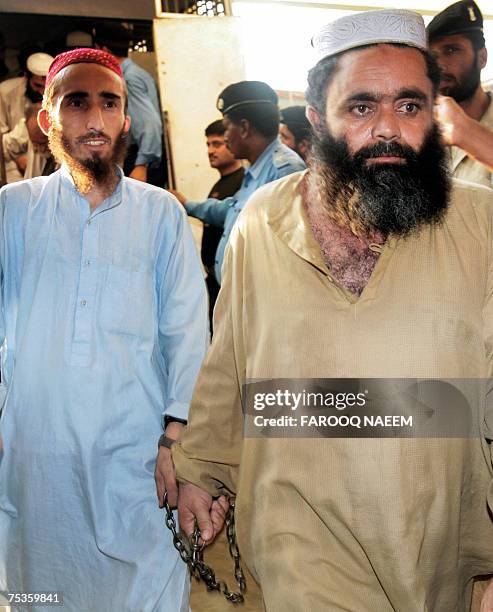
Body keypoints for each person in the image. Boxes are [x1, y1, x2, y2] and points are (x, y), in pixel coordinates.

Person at [172, 9, 493, 611]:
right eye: (361, 107)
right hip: (300, 542)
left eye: (410, 106)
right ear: (318, 119)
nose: (389, 129)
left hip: (442, 550)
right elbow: (230, 362)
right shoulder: (262, 223)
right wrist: (202, 470)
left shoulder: (480, 225)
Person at [0, 48, 208, 611]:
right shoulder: (12, 210)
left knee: (150, 591)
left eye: (108, 103)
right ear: (46, 120)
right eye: (75, 103)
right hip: (33, 458)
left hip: (138, 456)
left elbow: (187, 334)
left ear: (126, 118)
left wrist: (178, 438)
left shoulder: (161, 212)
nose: (93, 120)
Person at [171, 81, 305, 285]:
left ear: (244, 128)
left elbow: (290, 256)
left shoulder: (284, 172)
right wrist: (187, 205)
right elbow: (232, 210)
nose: (225, 138)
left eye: (226, 129)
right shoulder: (257, 169)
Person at [428, 0, 493, 186]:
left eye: (451, 50)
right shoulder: (421, 128)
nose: (439, 65)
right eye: (431, 56)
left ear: (482, 58)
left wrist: (464, 131)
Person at [94, 23, 164, 185]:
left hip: (139, 160)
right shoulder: (135, 74)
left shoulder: (129, 79)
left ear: (104, 51)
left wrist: (141, 165)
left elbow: (150, 123)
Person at [202, 119, 244, 327]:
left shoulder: (243, 182)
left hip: (231, 285)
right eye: (208, 145)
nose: (210, 150)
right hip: (214, 282)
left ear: (229, 142)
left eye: (216, 144)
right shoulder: (219, 184)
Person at [0, 51, 53, 182]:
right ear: (26, 77)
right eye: (37, 85)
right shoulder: (5, 91)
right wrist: (18, 159)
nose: (42, 92)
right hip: (11, 163)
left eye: (45, 87)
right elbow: (4, 142)